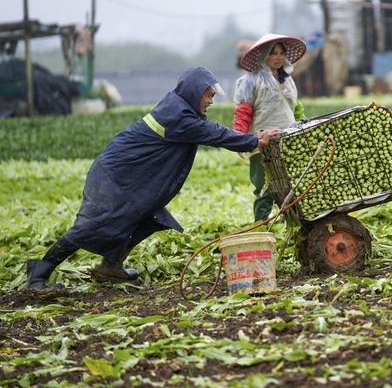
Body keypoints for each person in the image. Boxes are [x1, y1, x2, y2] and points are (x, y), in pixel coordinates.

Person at [26, 67, 279, 291]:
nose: (211, 101)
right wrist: (256, 139)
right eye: (209, 95)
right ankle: (39, 273)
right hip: (115, 175)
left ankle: (110, 266)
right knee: (93, 224)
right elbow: (216, 134)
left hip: (129, 175)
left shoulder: (179, 106)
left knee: (148, 216)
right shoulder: (181, 117)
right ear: (194, 91)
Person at [233, 33, 307, 222]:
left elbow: (296, 108)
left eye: (281, 53)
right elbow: (243, 112)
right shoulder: (251, 81)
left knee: (290, 186)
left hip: (288, 139)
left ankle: (289, 225)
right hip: (262, 141)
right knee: (264, 188)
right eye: (273, 53)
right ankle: (261, 226)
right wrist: (239, 139)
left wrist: (304, 124)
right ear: (264, 55)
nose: (278, 57)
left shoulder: (288, 80)